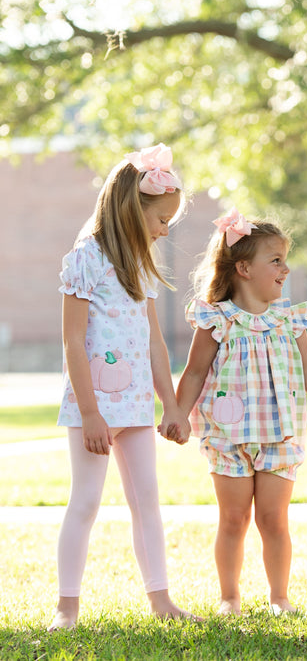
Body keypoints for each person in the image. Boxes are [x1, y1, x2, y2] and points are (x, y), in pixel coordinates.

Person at [50, 143, 199, 630]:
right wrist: (91, 413)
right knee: (86, 501)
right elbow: (73, 342)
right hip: (92, 406)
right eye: (160, 219)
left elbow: (154, 341)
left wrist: (172, 404)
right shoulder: (84, 260)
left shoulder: (141, 265)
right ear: (131, 210)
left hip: (135, 405)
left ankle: (161, 599)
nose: (165, 230)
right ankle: (66, 608)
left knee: (147, 501)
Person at [173, 208, 307, 615]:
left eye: (284, 259)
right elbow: (193, 374)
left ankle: (279, 597)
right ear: (243, 267)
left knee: (273, 519)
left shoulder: (288, 319)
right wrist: (176, 413)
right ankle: (230, 597)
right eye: (276, 260)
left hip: (279, 435)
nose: (286, 268)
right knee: (233, 520)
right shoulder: (218, 319)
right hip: (227, 438)